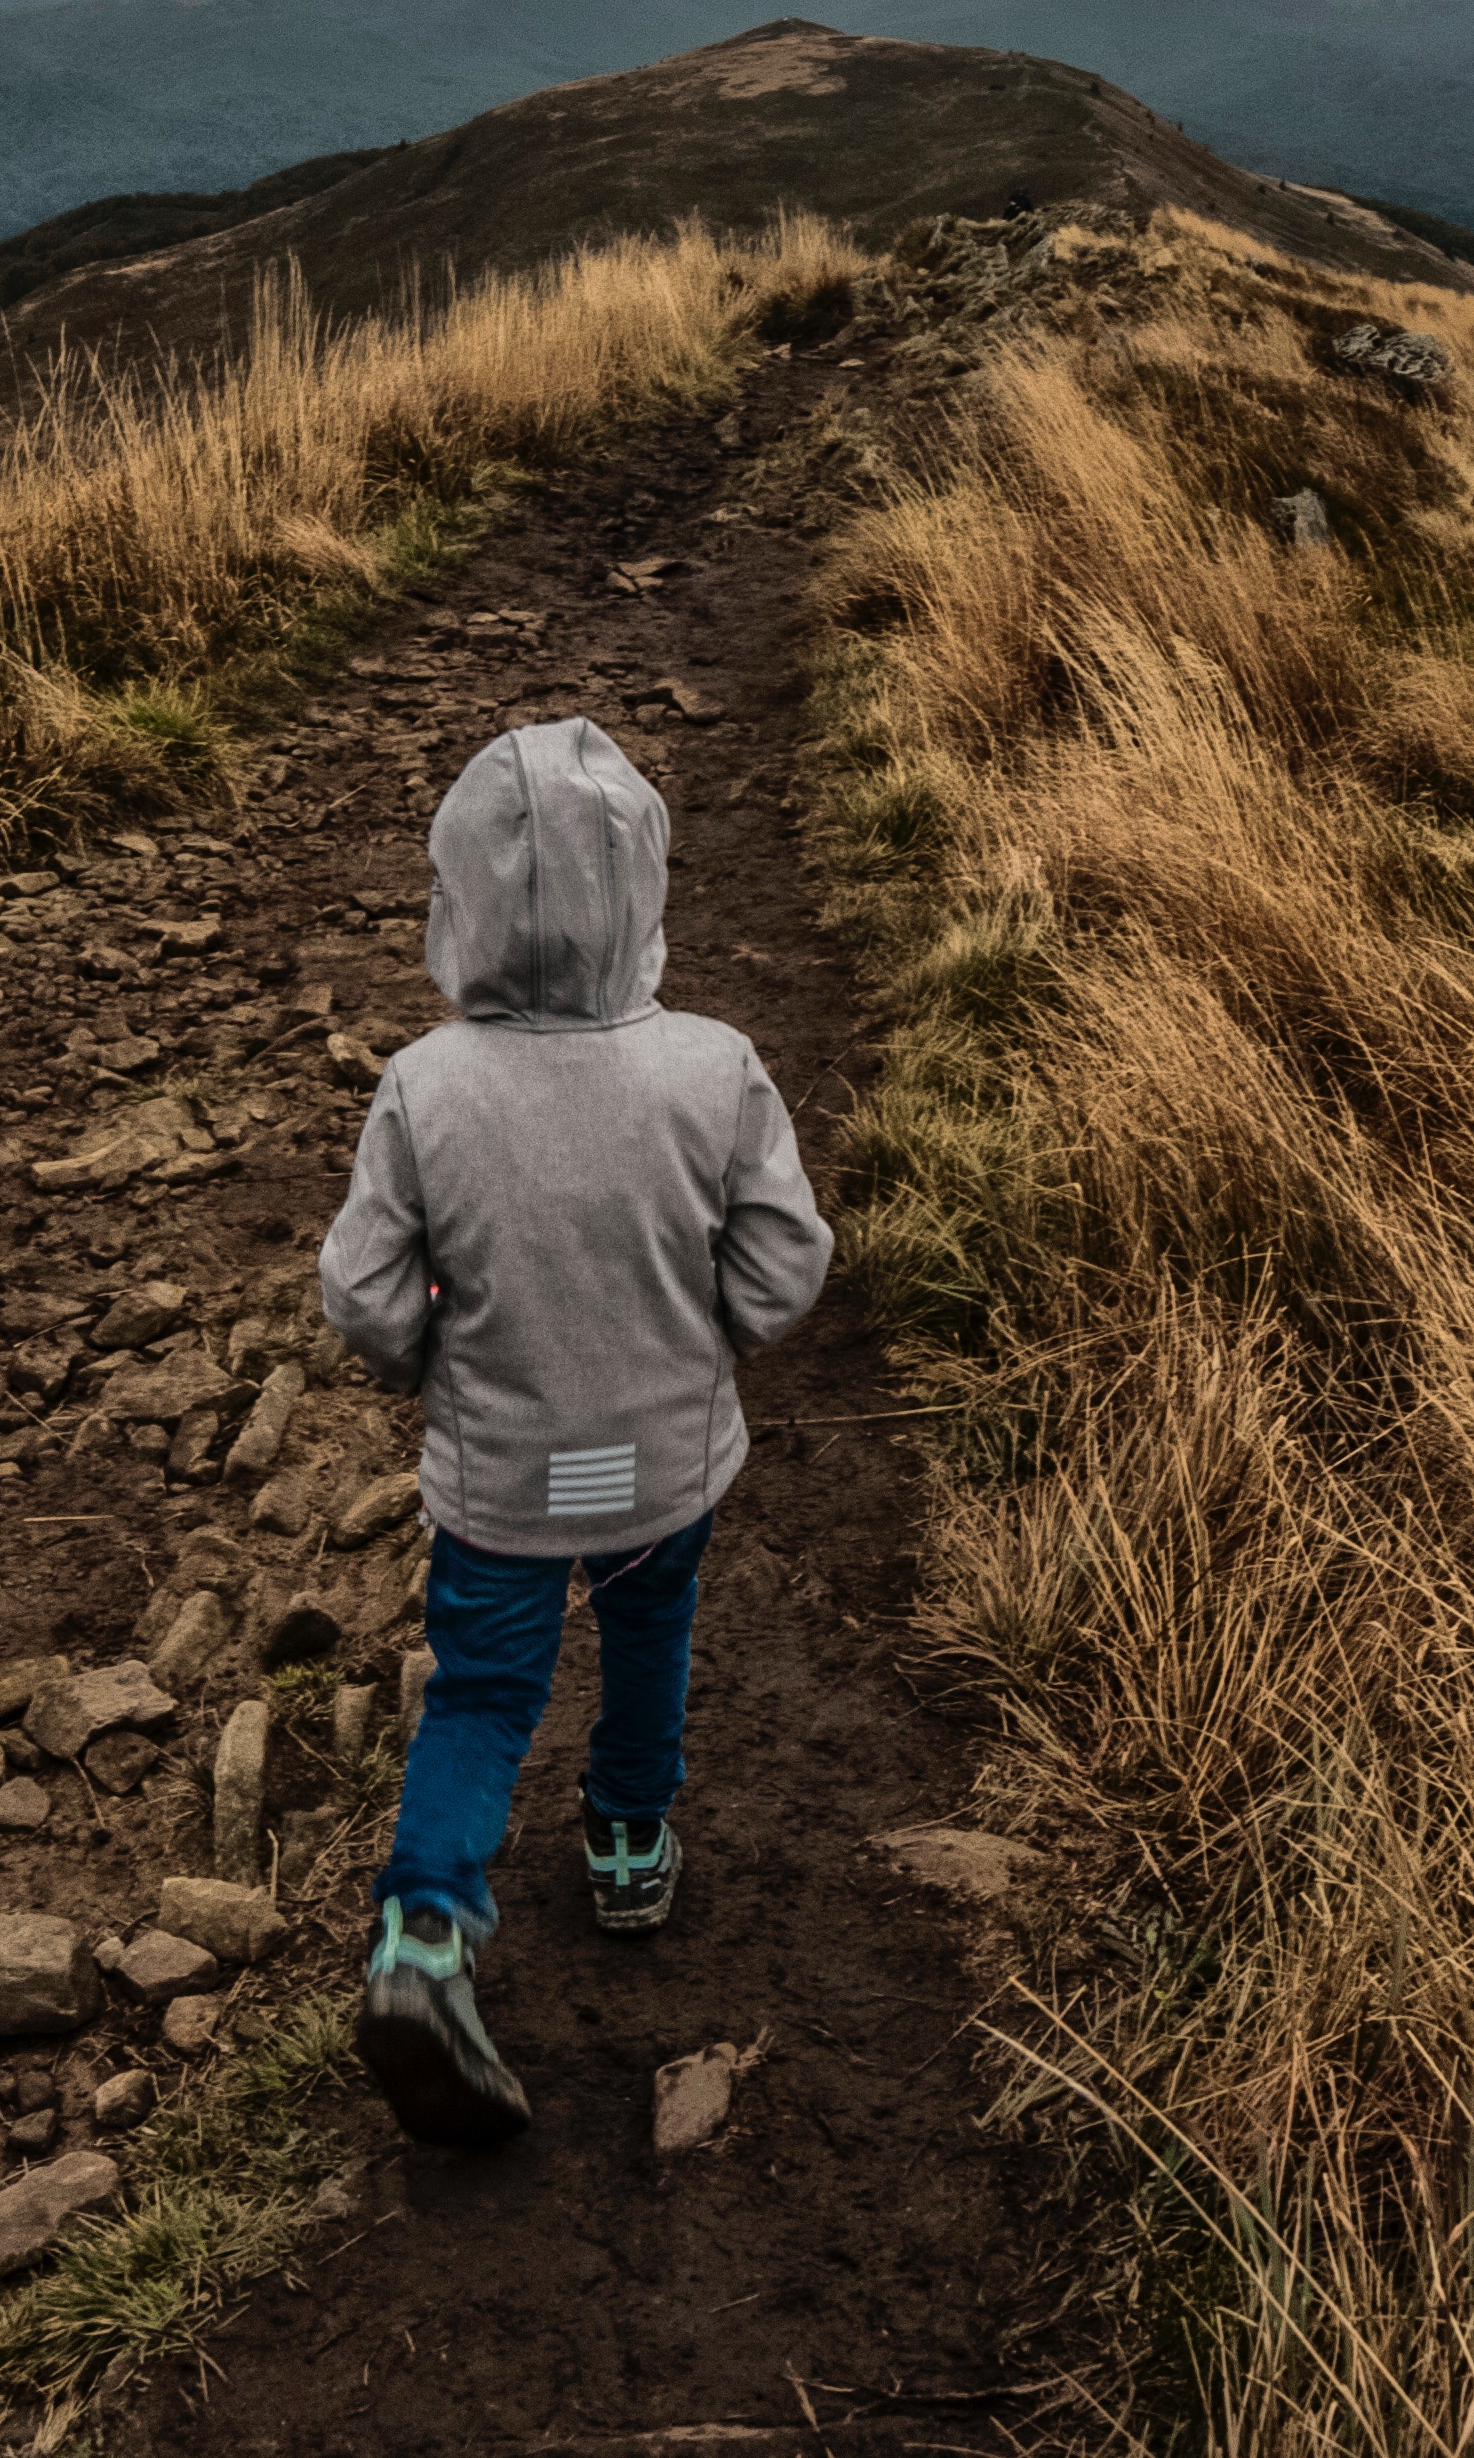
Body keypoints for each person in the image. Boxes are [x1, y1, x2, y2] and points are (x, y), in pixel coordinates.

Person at [316, 717, 834, 2146]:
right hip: (666, 1463)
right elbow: (787, 1268)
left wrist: (440, 1362)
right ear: (647, 890)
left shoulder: (426, 1089)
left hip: (498, 1478)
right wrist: (702, 1340)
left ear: (458, 902)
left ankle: (424, 1941)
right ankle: (623, 1842)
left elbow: (361, 1296)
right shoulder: (715, 1069)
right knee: (650, 1634)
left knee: (483, 1693)